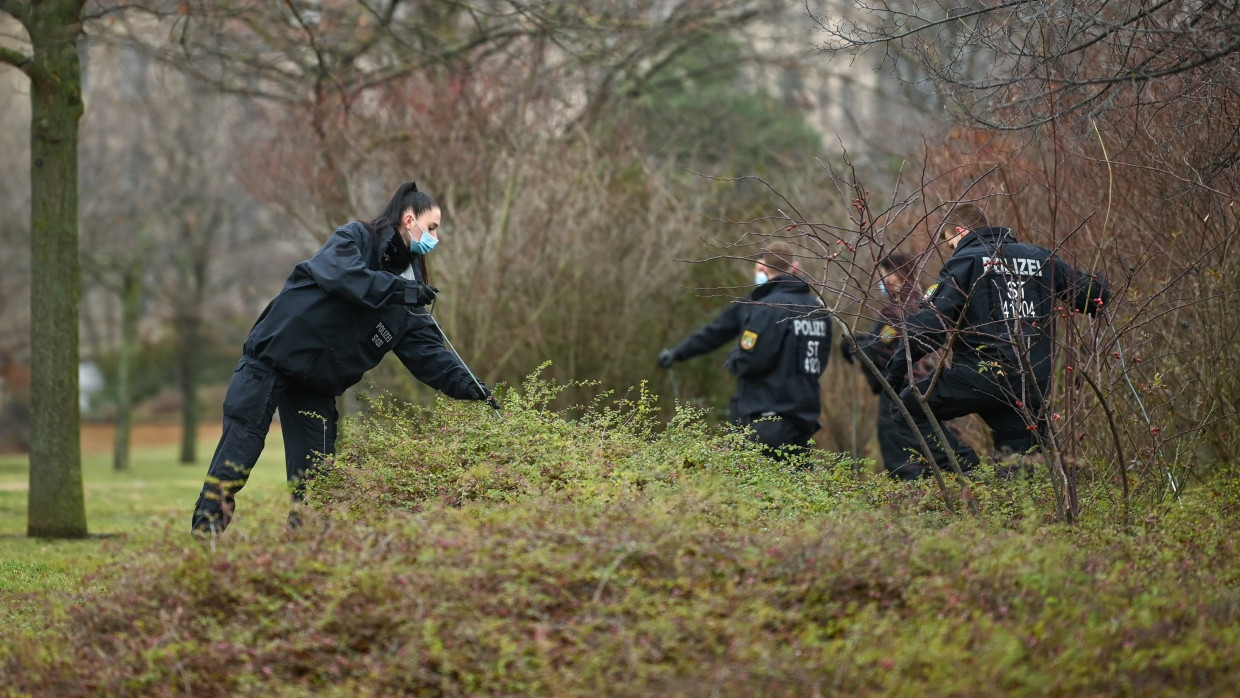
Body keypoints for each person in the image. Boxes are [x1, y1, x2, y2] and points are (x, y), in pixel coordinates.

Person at [191, 181, 496, 534]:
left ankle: (305, 555)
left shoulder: (409, 295)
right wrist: (401, 290)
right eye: (431, 228)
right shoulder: (355, 239)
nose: (435, 238)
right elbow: (345, 278)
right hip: (270, 361)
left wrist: (471, 387)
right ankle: (205, 543)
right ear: (409, 219)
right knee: (237, 455)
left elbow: (429, 354)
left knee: (318, 482)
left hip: (317, 387)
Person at [883, 202, 1110, 476]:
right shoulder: (1041, 258)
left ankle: (967, 471)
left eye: (949, 243)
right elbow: (1093, 297)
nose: (951, 250)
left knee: (909, 409)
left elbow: (932, 324)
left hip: (980, 377)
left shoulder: (966, 262)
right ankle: (1014, 512)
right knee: (1018, 470)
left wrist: (895, 372)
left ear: (959, 231)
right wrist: (1102, 281)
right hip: (1030, 382)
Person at [657, 242, 831, 460]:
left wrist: (734, 360)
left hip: (768, 416)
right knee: (797, 489)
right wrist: (679, 352)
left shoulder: (767, 307)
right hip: (805, 417)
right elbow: (821, 360)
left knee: (756, 487)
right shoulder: (817, 309)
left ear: (766, 269)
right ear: (794, 267)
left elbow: (752, 360)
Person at [841, 252, 969, 479]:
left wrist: (854, 346)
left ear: (897, 275)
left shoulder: (897, 311)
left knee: (904, 462)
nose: (883, 283)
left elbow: (878, 350)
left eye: (884, 276)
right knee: (938, 452)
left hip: (902, 391)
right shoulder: (928, 303)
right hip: (934, 388)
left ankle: (910, 505)